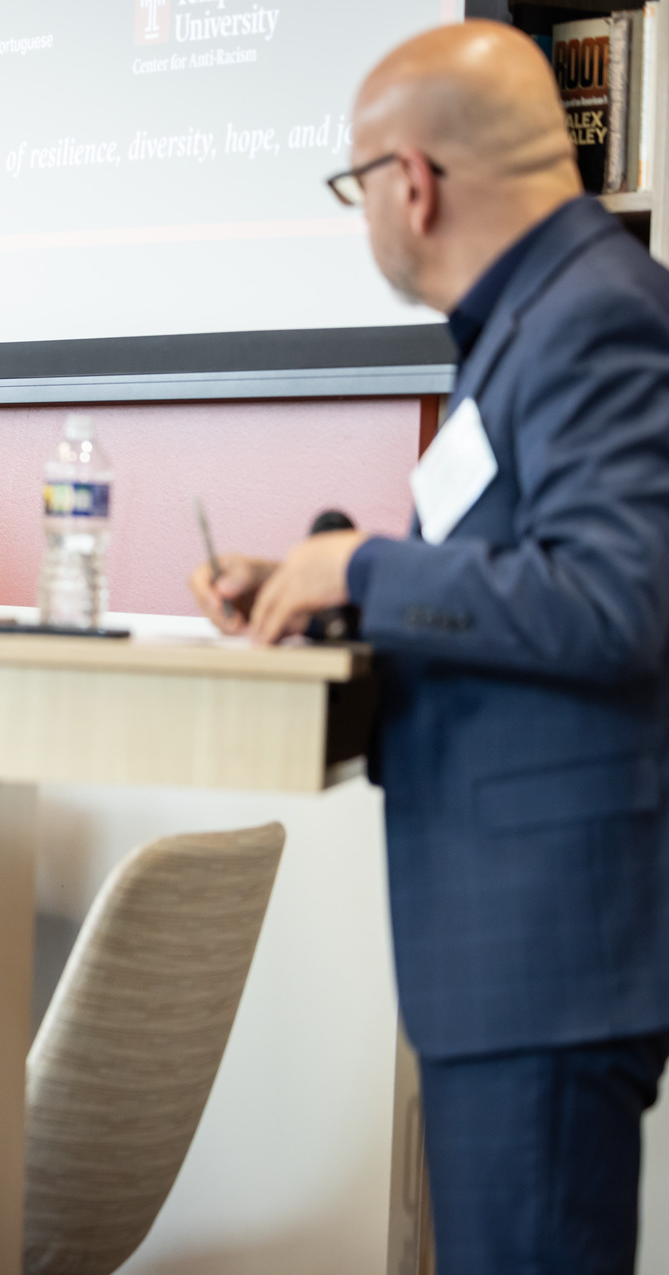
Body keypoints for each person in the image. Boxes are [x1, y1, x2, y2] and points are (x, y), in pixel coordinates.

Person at [190, 22, 669, 1274]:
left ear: (413, 182)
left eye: (357, 189)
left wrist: (356, 567)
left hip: (547, 943)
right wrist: (333, 589)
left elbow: (617, 601)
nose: (367, 220)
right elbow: (514, 568)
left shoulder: (590, 318)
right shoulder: (536, 319)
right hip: (510, 934)